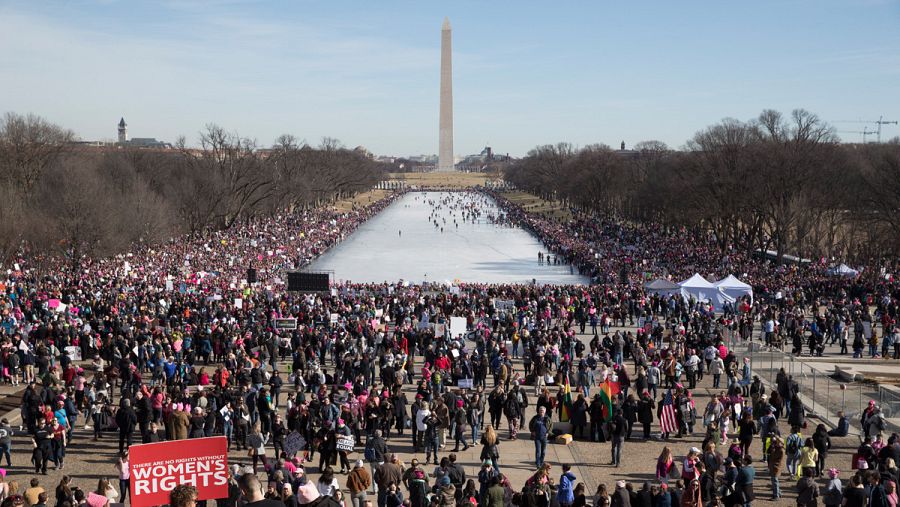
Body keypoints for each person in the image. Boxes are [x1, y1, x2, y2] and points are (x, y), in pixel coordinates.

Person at [766, 436, 784, 500]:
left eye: (777, 441)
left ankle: (776, 495)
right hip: (775, 467)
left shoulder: (780, 450)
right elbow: (768, 452)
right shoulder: (777, 448)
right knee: (775, 481)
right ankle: (778, 493)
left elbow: (773, 456)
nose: (775, 442)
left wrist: (773, 449)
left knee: (775, 482)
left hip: (775, 468)